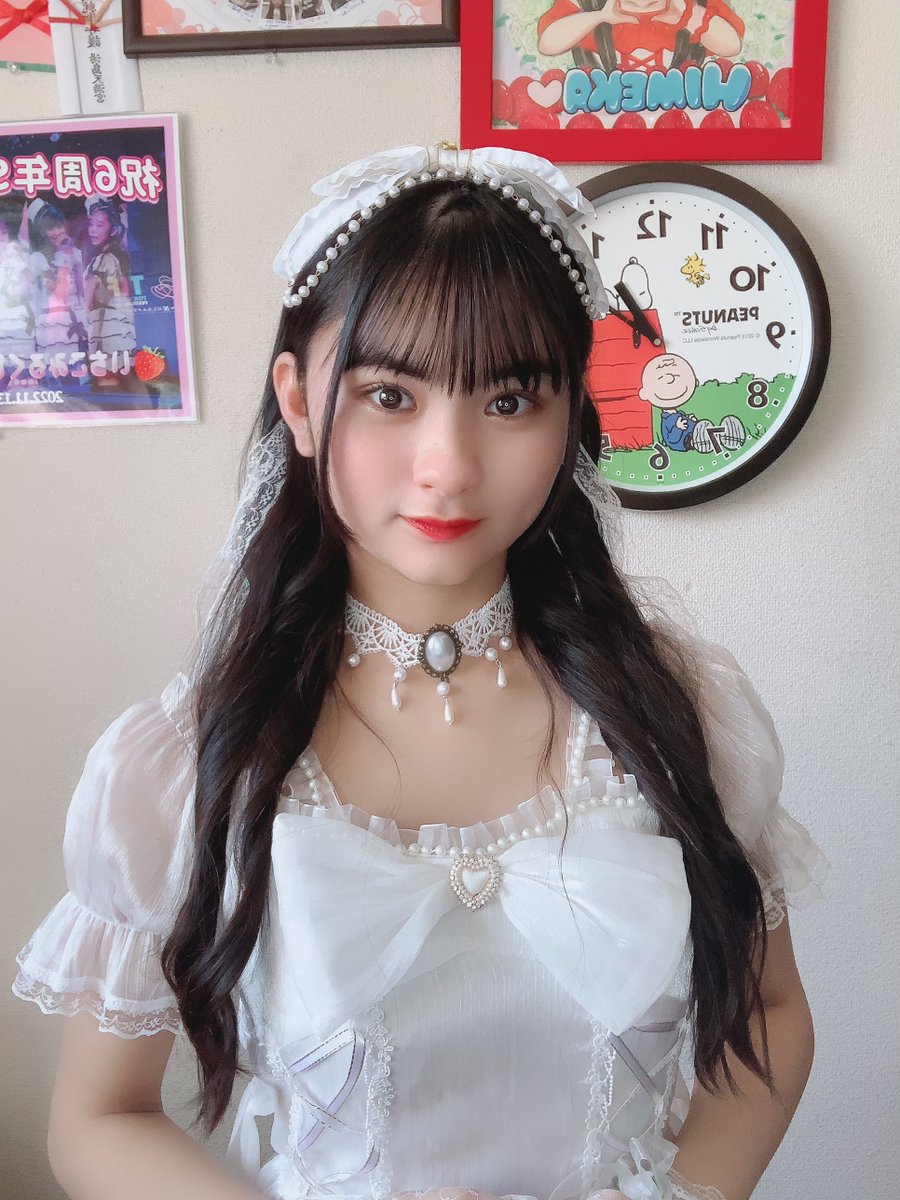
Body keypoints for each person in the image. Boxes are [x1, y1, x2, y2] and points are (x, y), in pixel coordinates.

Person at [11, 143, 826, 1200]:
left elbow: (769, 1013)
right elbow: (99, 1116)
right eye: (390, 395)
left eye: (510, 400)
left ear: (572, 411)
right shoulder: (184, 766)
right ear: (298, 401)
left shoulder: (683, 717)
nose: (448, 465)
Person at [83, 195, 137, 368]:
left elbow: (87, 299)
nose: (92, 230)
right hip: (121, 330)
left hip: (105, 331)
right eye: (91, 224)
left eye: (99, 225)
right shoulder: (119, 257)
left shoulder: (103, 260)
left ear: (112, 230)